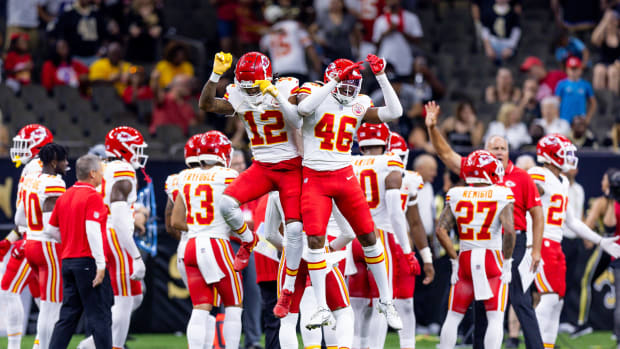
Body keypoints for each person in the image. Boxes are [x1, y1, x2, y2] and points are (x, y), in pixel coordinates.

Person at [425, 100, 546, 349]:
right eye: (495, 148)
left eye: (503, 147)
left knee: (513, 300)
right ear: (487, 153)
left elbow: (441, 229)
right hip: (492, 248)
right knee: (489, 309)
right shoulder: (496, 189)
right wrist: (432, 129)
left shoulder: (514, 179)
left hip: (487, 247)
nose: (499, 152)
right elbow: (446, 154)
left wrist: (535, 248)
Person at [295, 54, 403, 329]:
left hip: (344, 175)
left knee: (368, 236)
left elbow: (394, 113)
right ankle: (321, 306)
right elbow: (304, 109)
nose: (348, 91)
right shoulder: (313, 90)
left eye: (352, 85)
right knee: (316, 240)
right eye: (345, 84)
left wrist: (381, 76)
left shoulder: (359, 102)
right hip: (315, 177)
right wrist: (332, 83)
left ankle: (386, 300)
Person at [199, 51, 306, 320]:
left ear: (268, 78)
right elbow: (207, 105)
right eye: (244, 86)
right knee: (225, 203)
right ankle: (248, 240)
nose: (249, 92)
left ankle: (289, 290)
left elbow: (298, 120)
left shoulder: (286, 87)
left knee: (294, 229)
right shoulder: (238, 92)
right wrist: (214, 76)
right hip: (261, 165)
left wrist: (274, 93)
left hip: (290, 166)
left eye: (253, 85)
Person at [529, 134, 620, 348]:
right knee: (548, 300)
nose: (569, 157)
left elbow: (571, 221)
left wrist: (601, 241)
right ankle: (535, 344)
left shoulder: (561, 181)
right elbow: (529, 192)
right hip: (540, 243)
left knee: (557, 303)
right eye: (564, 152)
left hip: (555, 244)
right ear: (550, 155)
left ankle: (546, 345)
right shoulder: (538, 174)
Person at [436, 150, 516, 349]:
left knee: (453, 316)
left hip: (465, 258)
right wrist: (507, 262)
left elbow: (440, 230)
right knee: (495, 318)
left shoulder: (456, 193)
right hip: (492, 259)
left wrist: (454, 259)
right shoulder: (501, 193)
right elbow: (510, 232)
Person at [171, 131, 244, 349]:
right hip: (215, 244)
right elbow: (234, 215)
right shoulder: (228, 175)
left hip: (190, 246)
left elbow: (175, 219)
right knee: (234, 304)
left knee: (200, 307)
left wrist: (199, 227)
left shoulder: (183, 177)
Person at [79, 126, 148, 349]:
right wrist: (136, 257)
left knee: (133, 298)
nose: (139, 153)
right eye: (135, 148)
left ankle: (90, 345)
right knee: (125, 301)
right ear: (124, 149)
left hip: (100, 234)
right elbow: (118, 219)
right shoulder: (124, 171)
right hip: (115, 236)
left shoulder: (104, 168)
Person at [266, 192, 355, 349]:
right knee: (343, 312)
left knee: (288, 319)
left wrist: (287, 247)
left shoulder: (277, 194)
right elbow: (348, 233)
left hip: (290, 257)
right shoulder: (324, 189)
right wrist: (332, 248)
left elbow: (270, 234)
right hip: (320, 253)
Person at [48, 154, 112, 348]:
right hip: (87, 261)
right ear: (92, 173)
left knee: (67, 317)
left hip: (68, 261)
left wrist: (68, 241)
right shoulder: (92, 195)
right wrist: (101, 265)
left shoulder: (65, 195)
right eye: (100, 171)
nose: (102, 175)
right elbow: (92, 230)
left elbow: (50, 230)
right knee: (99, 316)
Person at [0, 124, 54, 349]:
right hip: (35, 238)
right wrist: (10, 240)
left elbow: (26, 215)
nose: (19, 150)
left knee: (11, 291)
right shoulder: (38, 166)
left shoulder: (35, 167)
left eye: (24, 145)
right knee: (44, 301)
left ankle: (19, 346)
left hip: (37, 239)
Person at [17, 143, 68, 349]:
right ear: (54, 162)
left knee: (47, 306)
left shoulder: (30, 179)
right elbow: (50, 226)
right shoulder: (54, 182)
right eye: (63, 160)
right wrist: (67, 242)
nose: (66, 164)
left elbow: (19, 217)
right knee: (51, 307)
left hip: (31, 243)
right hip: (48, 247)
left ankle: (40, 346)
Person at [164, 134, 203, 288]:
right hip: (215, 244)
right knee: (229, 303)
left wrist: (189, 235)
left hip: (186, 246)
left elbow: (170, 226)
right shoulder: (222, 178)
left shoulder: (177, 180)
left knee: (199, 304)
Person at [259, 9, 321, 82]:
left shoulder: (268, 34)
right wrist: (318, 66)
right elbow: (309, 46)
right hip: (298, 69)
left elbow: (263, 49)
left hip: (278, 71)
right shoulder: (295, 25)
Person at [372, 0, 423, 77]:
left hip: (405, 59)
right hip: (386, 59)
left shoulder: (411, 17)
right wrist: (386, 33)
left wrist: (400, 30)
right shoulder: (380, 20)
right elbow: (376, 43)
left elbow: (418, 40)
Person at [52, 0, 106, 66]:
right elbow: (60, 33)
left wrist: (101, 49)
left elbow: (103, 34)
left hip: (94, 56)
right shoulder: (69, 12)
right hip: (75, 56)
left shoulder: (96, 12)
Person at [555, 56, 597, 125]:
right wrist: (557, 119)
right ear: (567, 69)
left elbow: (593, 103)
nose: (573, 71)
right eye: (571, 68)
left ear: (580, 70)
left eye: (576, 68)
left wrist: (588, 117)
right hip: (564, 119)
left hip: (580, 119)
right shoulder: (561, 84)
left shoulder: (586, 84)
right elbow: (556, 103)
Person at [591, 9, 620, 94]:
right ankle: (599, 99)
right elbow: (594, 40)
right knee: (599, 71)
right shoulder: (602, 34)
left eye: (614, 20)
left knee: (612, 72)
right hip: (604, 62)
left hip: (616, 63)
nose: (611, 22)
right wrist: (605, 21)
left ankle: (613, 101)